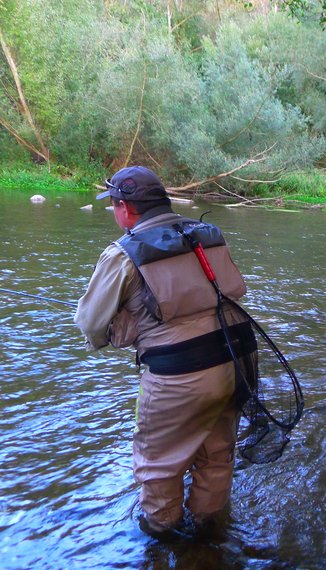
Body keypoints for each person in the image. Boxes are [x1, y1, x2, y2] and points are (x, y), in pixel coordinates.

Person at [75, 166, 251, 538]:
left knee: (158, 467)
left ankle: (162, 541)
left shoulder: (122, 254)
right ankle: (210, 536)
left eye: (113, 205)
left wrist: (115, 331)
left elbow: (90, 323)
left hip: (179, 375)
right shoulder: (209, 235)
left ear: (125, 208)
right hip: (238, 360)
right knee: (217, 457)